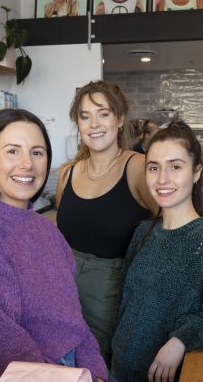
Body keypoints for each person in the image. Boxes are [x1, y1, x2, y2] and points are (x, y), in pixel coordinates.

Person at [0, 109, 108, 382]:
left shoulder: (47, 229)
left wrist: (97, 376)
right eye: (12, 151)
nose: (27, 164)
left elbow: (73, 320)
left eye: (37, 152)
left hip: (76, 380)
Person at [108, 121, 203, 382]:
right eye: (154, 167)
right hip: (117, 377)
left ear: (196, 172)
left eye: (175, 166)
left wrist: (181, 339)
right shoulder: (142, 232)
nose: (162, 179)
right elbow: (125, 305)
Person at [56, 81, 158, 362]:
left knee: (100, 374)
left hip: (111, 303)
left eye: (103, 113)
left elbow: (178, 230)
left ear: (120, 118)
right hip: (64, 296)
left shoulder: (138, 167)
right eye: (85, 116)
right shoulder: (67, 174)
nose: (93, 124)